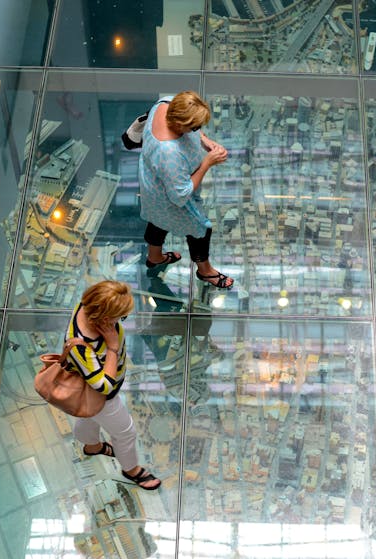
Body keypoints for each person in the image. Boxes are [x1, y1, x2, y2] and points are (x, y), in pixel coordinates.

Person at [66, 280, 161, 490]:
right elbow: (104, 387)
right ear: (106, 318)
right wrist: (112, 348)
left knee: (89, 416)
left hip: (90, 394)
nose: (122, 321)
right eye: (122, 317)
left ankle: (93, 446)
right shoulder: (83, 344)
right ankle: (131, 470)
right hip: (102, 396)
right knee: (125, 432)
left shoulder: (87, 305)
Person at [139, 90, 233, 289]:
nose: (197, 130)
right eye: (195, 127)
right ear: (180, 124)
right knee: (200, 229)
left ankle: (154, 257)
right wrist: (207, 163)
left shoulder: (165, 104)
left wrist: (205, 140)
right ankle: (205, 271)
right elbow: (180, 194)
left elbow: (192, 131)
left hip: (153, 187)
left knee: (157, 220)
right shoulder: (169, 151)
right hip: (169, 198)